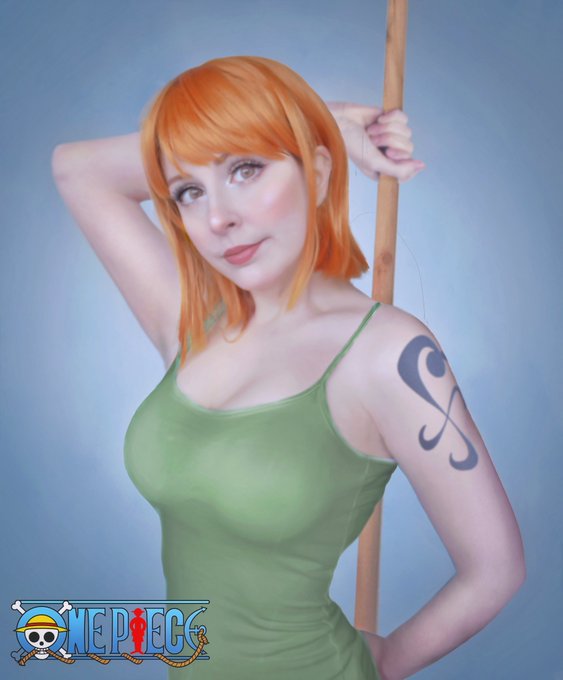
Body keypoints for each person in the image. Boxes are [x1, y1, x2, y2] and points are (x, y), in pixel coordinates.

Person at [51, 55, 525, 680]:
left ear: (318, 172)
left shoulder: (387, 353)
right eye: (189, 190)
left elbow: (495, 570)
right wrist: (322, 120)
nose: (218, 217)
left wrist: (385, 661)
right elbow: (77, 169)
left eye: (245, 169)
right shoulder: (193, 321)